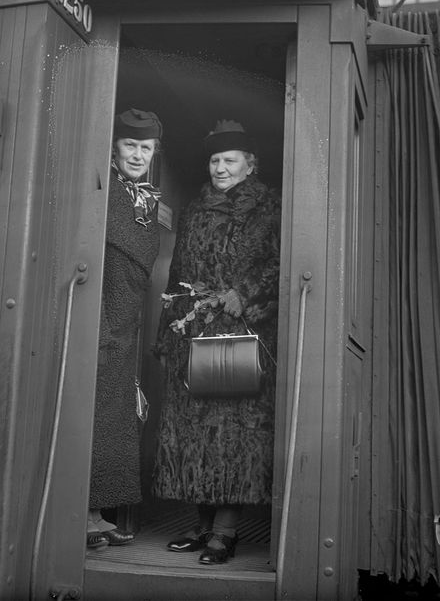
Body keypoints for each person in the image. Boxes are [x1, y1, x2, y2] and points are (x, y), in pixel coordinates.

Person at [152, 119, 280, 564]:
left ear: (250, 164)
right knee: (193, 434)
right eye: (214, 160)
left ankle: (225, 532)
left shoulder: (270, 206)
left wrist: (241, 297)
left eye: (229, 160)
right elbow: (177, 273)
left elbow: (278, 265)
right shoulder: (192, 209)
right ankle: (200, 526)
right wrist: (166, 334)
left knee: (234, 435)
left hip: (239, 334)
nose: (220, 168)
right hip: (193, 332)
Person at [87, 108, 163, 550]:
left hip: (123, 322)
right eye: (130, 145)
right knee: (93, 417)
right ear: (115, 148)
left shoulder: (143, 198)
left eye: (146, 147)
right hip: (99, 320)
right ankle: (83, 513)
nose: (138, 154)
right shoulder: (104, 188)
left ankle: (97, 512)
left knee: (113, 418)